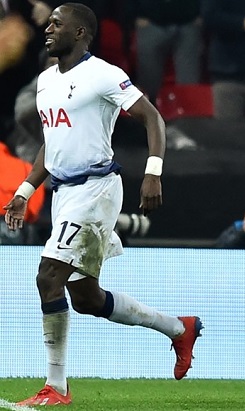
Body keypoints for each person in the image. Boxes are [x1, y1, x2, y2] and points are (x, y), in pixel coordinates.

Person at [2, 3, 202, 406]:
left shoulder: (104, 75)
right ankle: (180, 329)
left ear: (80, 33)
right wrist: (24, 191)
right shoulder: (45, 81)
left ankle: (56, 388)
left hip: (96, 189)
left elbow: (153, 117)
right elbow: (52, 143)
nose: (48, 29)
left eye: (57, 24)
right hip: (63, 192)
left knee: (47, 278)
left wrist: (153, 171)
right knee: (87, 299)